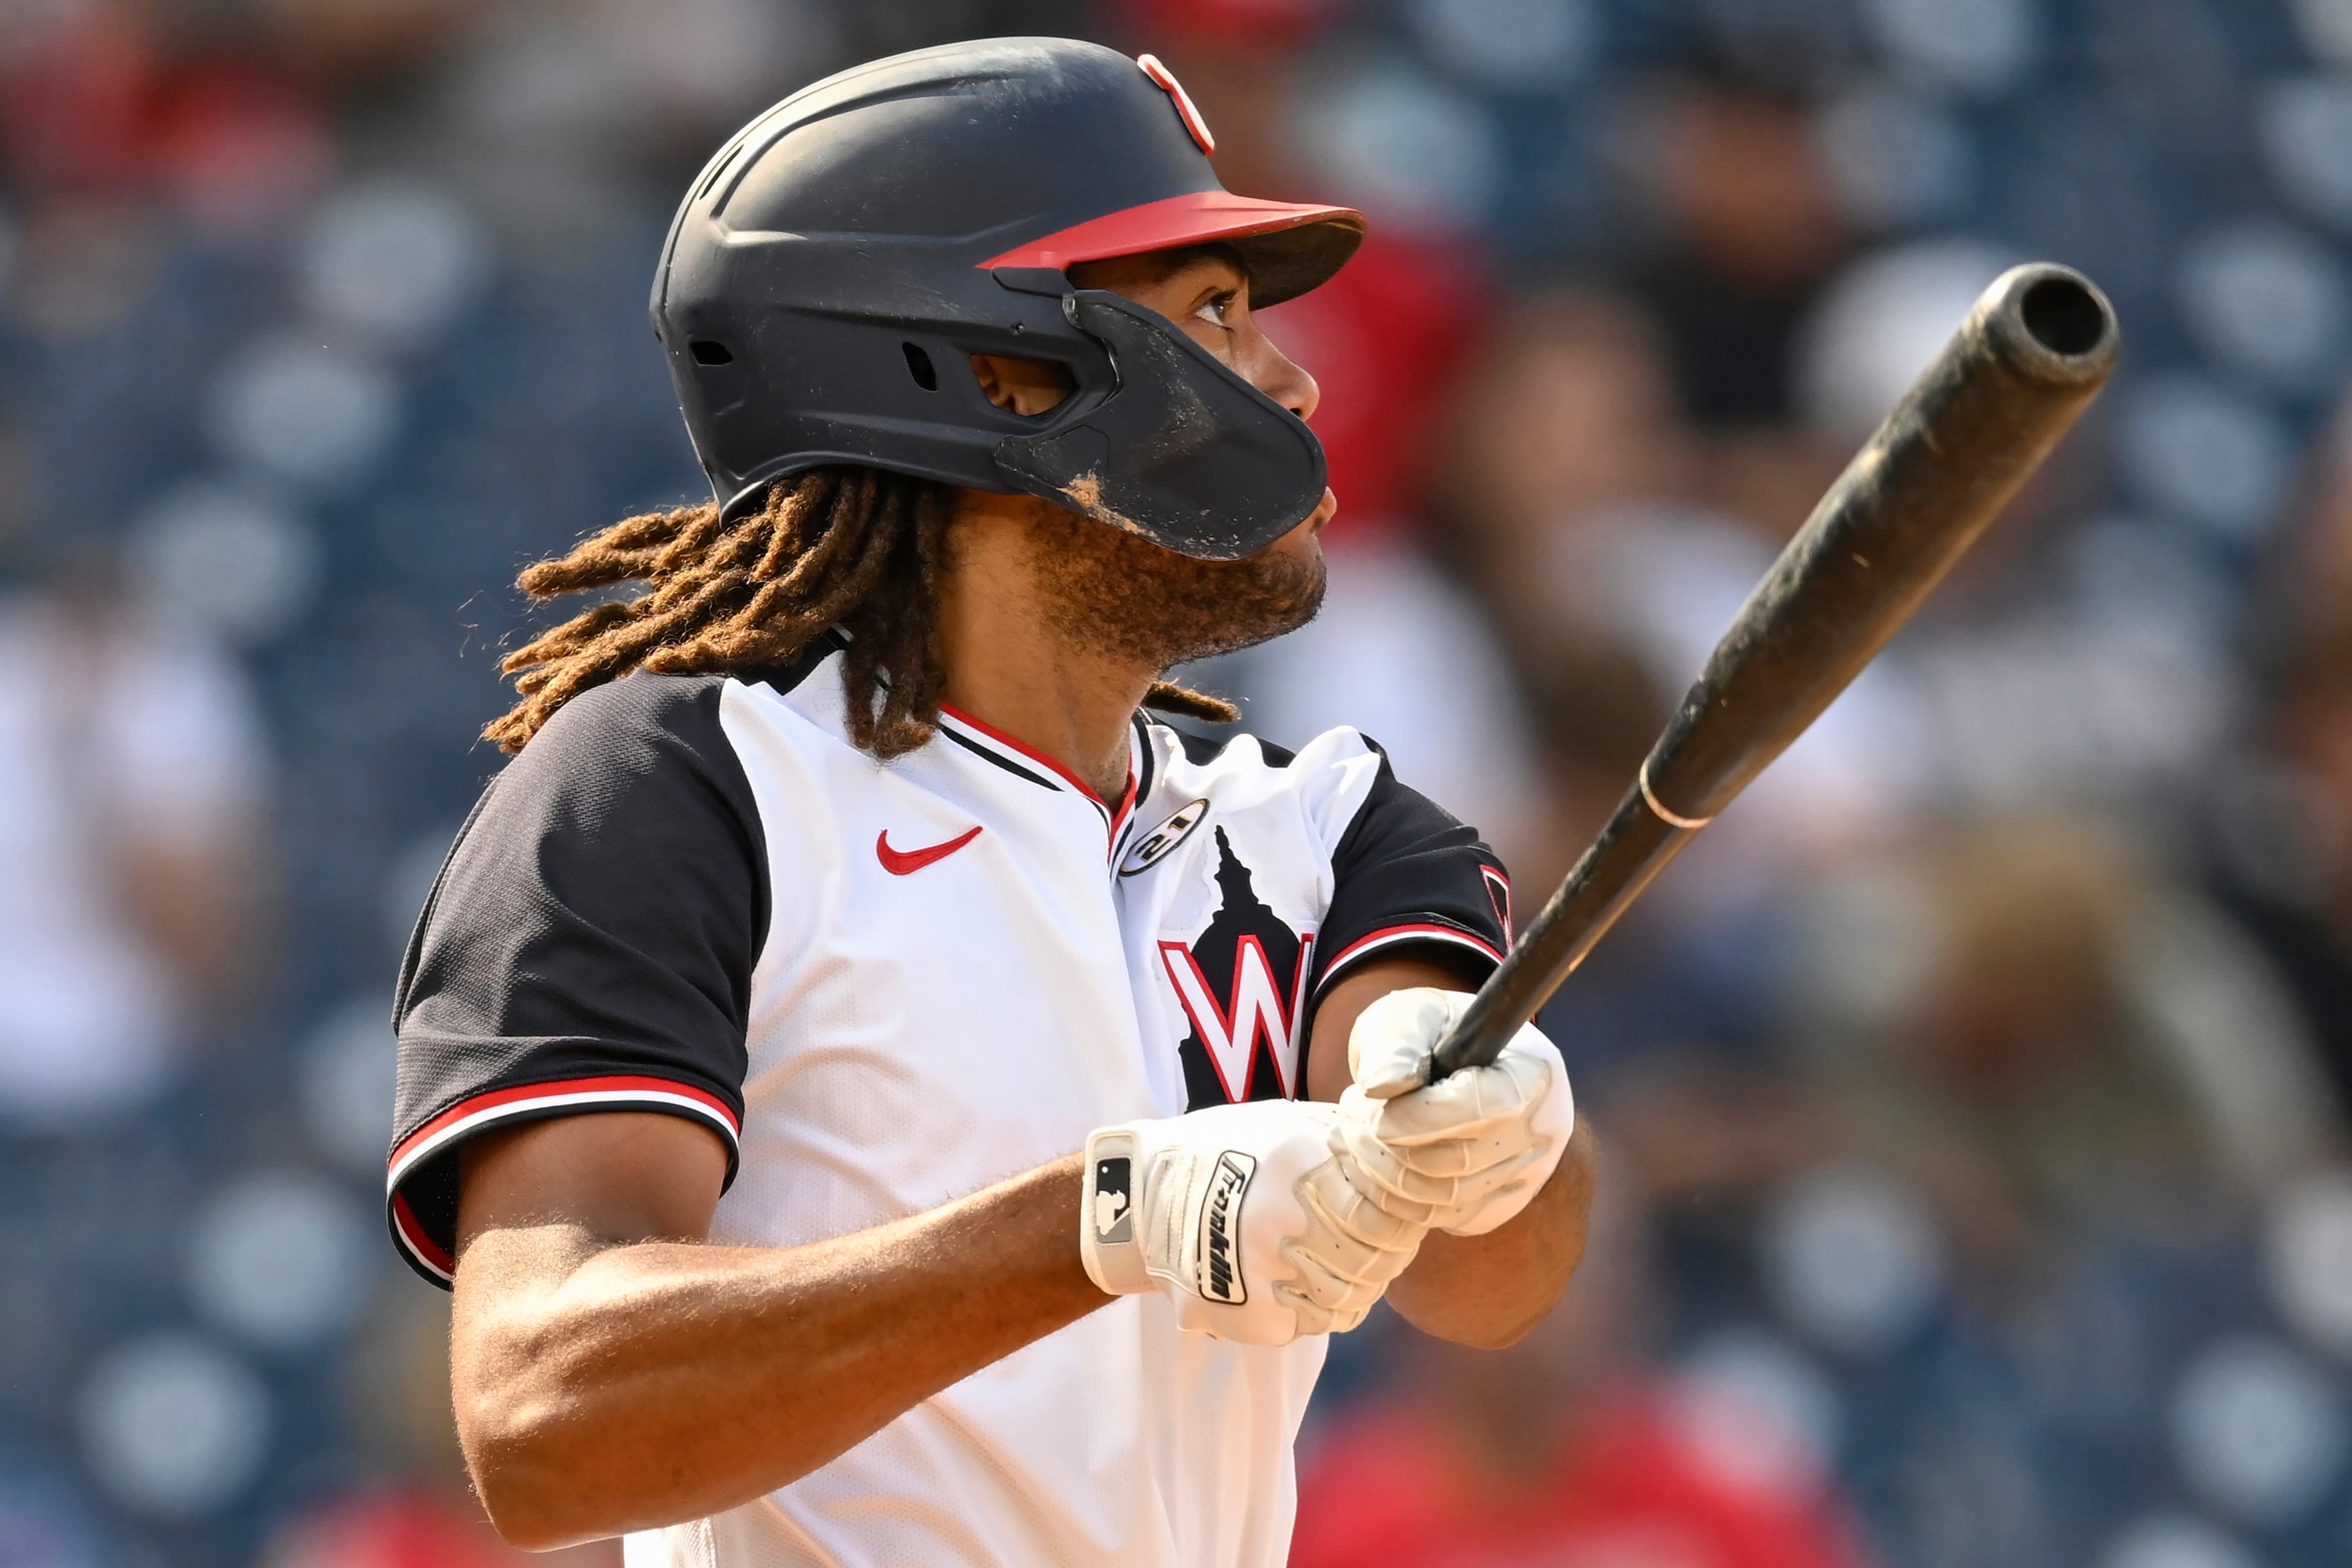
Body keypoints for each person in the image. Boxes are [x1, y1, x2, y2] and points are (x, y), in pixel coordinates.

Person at [381, 39, 1597, 1568]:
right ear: (990, 367)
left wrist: (1486, 1113)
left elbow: (1500, 1277)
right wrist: (1101, 1220)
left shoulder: (1332, 823)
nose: (1293, 379)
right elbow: (543, 1411)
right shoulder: (689, 786)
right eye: (1214, 312)